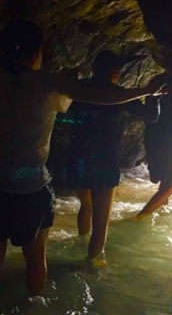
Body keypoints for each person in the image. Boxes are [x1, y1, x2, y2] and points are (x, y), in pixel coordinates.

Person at [0, 19, 164, 315]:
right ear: (37, 52)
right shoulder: (48, 83)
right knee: (36, 261)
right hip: (31, 189)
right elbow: (103, 95)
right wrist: (146, 90)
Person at [65, 51, 160, 262]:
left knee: (85, 206)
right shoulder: (118, 95)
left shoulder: (79, 90)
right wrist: (154, 94)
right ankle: (91, 265)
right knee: (101, 223)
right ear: (116, 72)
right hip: (103, 160)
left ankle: (81, 243)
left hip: (77, 156)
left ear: (94, 68)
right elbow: (151, 116)